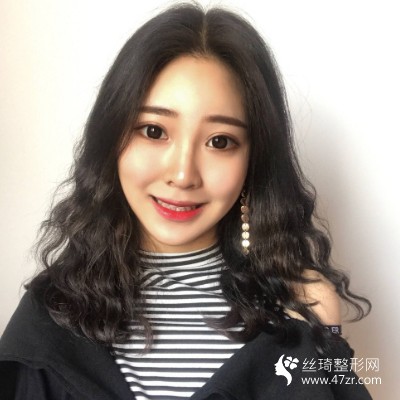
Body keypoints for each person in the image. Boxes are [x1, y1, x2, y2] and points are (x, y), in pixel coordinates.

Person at [0, 3, 372, 399]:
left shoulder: (304, 306)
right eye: (153, 131)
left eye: (220, 141)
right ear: (111, 141)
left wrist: (326, 333)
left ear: (254, 159)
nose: (182, 174)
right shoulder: (50, 313)